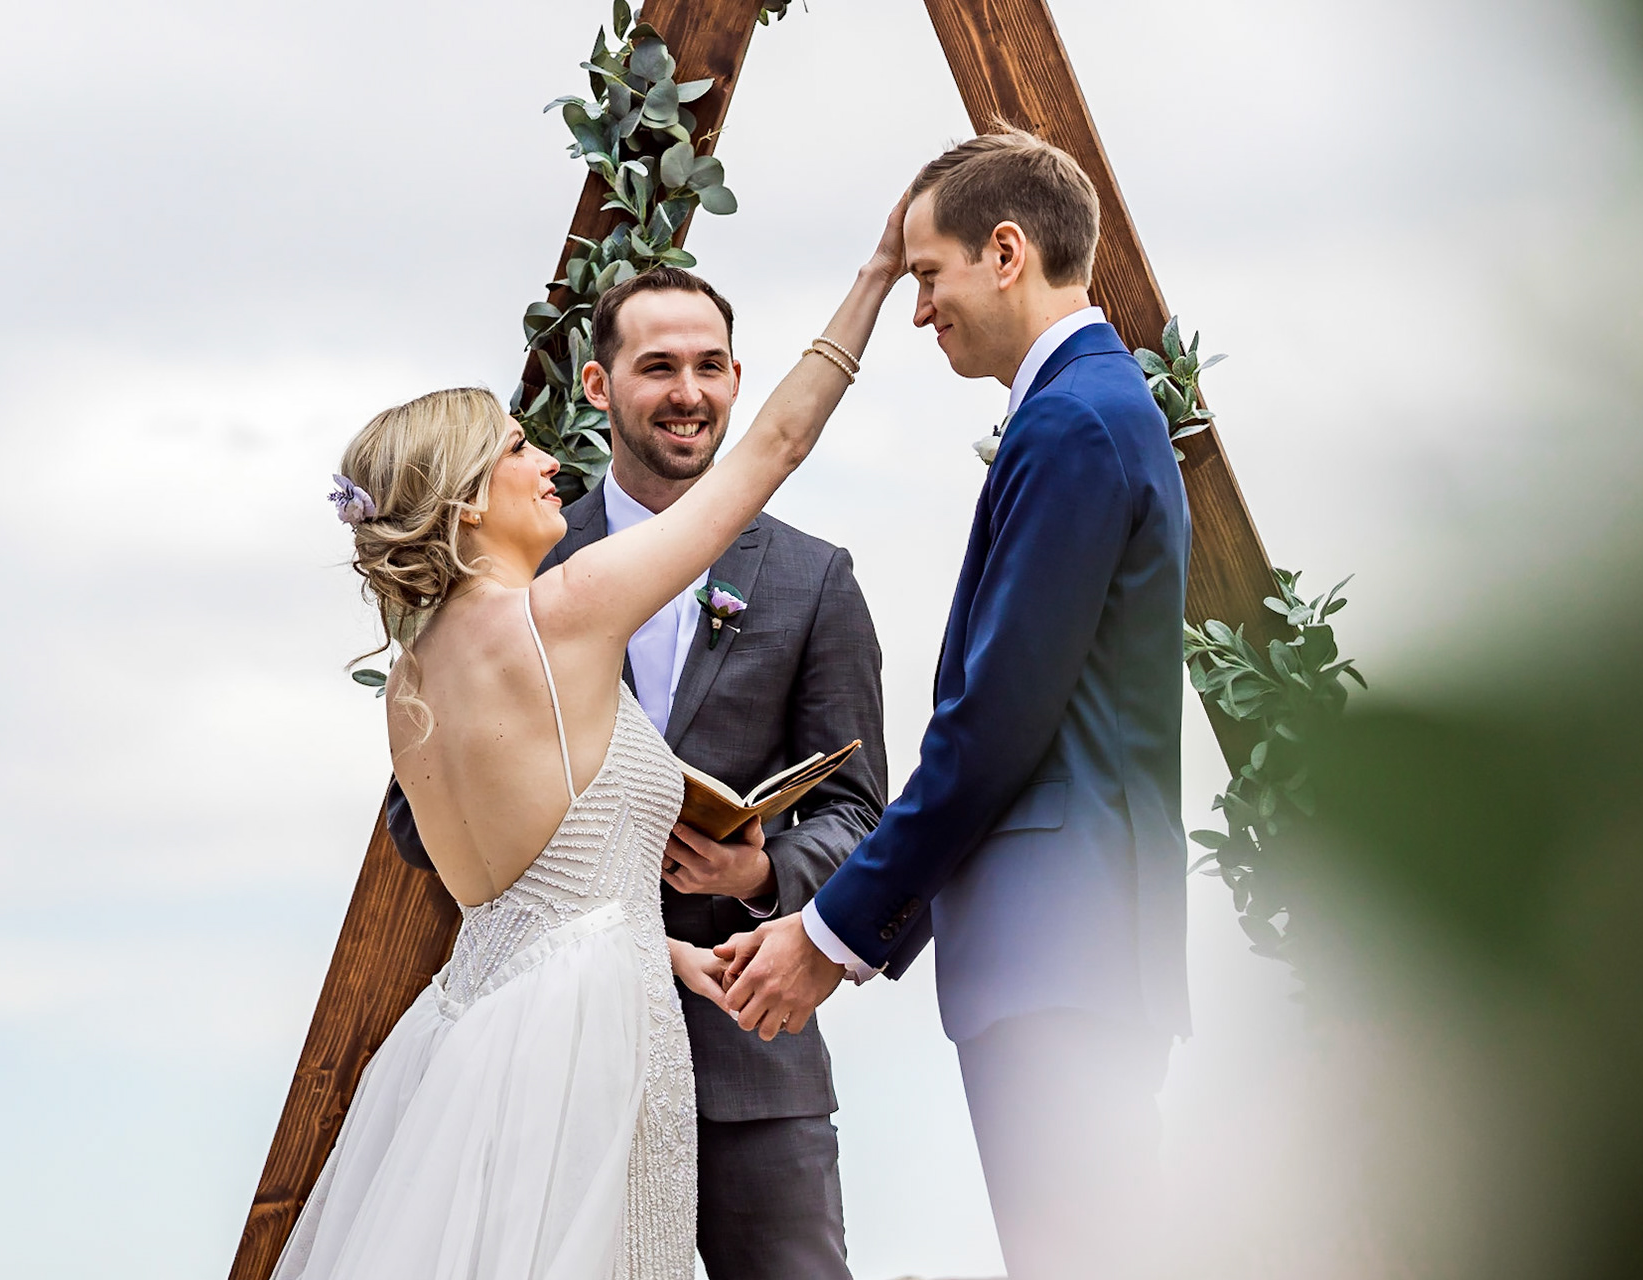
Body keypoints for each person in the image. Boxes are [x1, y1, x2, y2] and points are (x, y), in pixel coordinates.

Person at [269, 206, 906, 1280]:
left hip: (483, 1044)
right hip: (596, 1052)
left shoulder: (412, 683)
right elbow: (777, 449)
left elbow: (528, 904)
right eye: (518, 450)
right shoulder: (565, 610)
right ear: (468, 504)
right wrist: (878, 273)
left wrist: (679, 947)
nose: (545, 461)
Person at [718, 130, 1193, 1279]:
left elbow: (998, 722)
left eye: (928, 276)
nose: (921, 310)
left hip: (1059, 947)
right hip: (1071, 943)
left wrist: (831, 931)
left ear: (1007, 251)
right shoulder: (1093, 406)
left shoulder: (1073, 422)